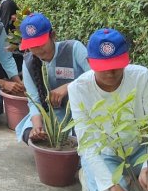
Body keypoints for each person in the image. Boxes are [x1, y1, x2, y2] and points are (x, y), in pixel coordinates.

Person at [68, 28, 148, 191]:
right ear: (89, 63)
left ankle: (134, 181)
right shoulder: (78, 88)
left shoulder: (142, 77)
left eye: (116, 65)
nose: (110, 73)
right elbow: (87, 144)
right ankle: (90, 179)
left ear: (128, 59)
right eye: (103, 67)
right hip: (105, 153)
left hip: (137, 149)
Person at [13, 13, 90, 144]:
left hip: (82, 110)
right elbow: (34, 100)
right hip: (50, 114)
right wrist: (37, 127)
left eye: (41, 43)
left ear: (52, 36)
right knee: (29, 134)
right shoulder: (28, 63)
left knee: (81, 138)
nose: (37, 50)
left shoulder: (74, 48)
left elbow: (96, 74)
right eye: (32, 45)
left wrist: (68, 87)